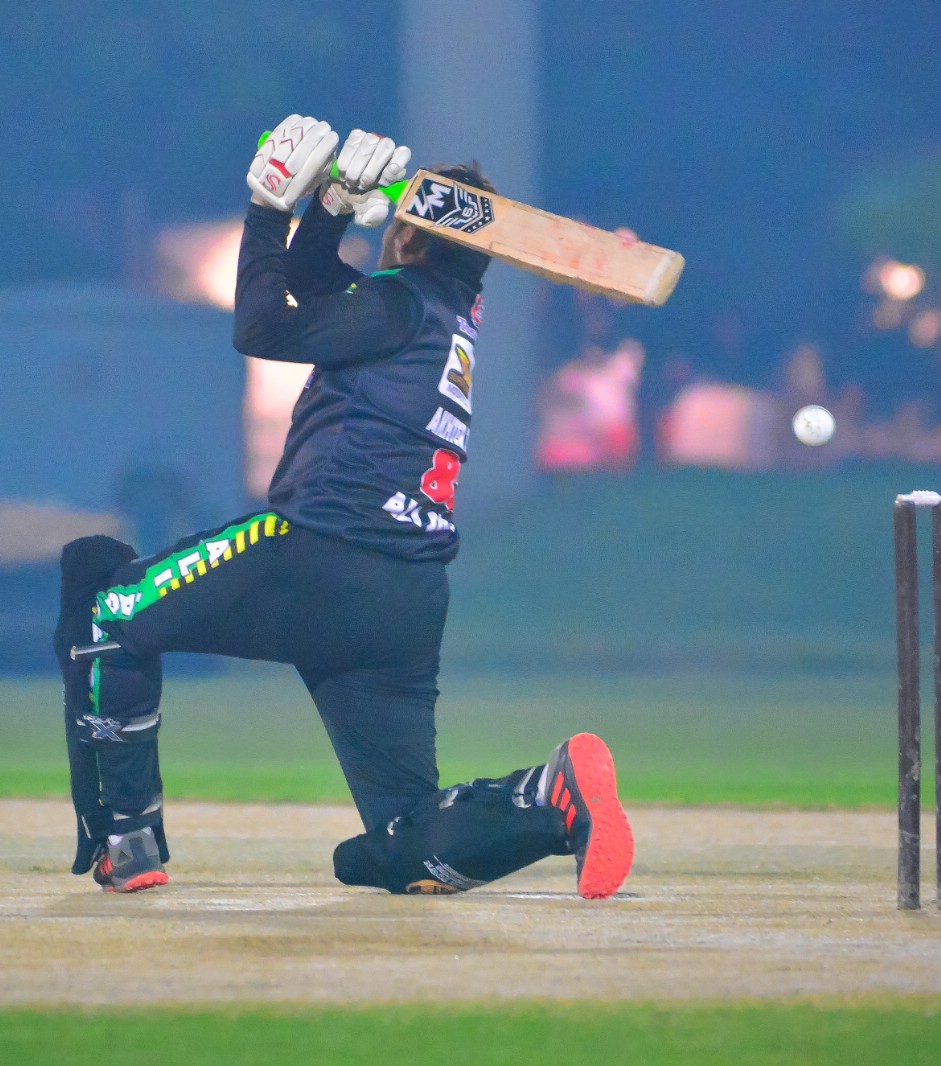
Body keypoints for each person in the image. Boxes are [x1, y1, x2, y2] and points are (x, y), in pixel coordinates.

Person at [54, 114, 634, 898]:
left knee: (110, 612)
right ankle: (545, 799)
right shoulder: (444, 318)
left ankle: (127, 841)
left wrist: (269, 207)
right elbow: (316, 282)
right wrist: (326, 210)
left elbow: (262, 324)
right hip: (403, 601)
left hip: (319, 552)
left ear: (410, 237)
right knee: (401, 842)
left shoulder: (397, 301)